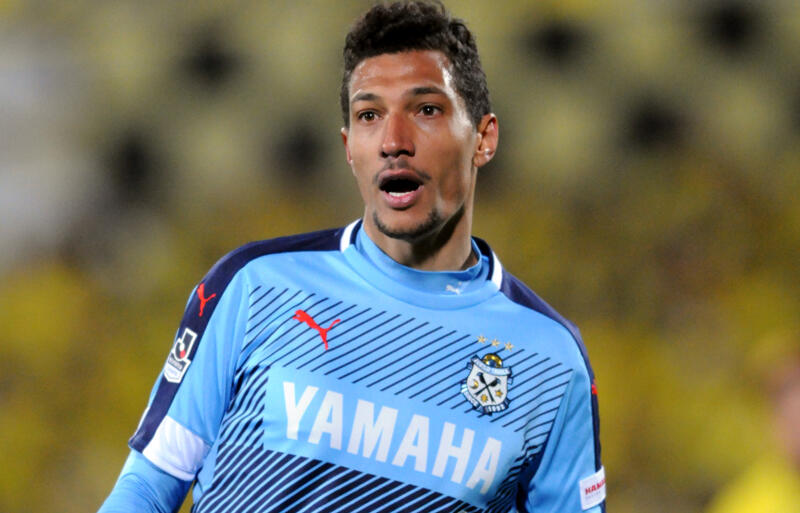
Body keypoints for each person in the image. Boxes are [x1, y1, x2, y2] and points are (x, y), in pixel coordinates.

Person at [98, 2, 605, 512]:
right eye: (369, 116)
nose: (394, 141)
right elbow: (148, 488)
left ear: (484, 139)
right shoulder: (254, 286)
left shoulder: (550, 359)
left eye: (427, 110)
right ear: (348, 146)